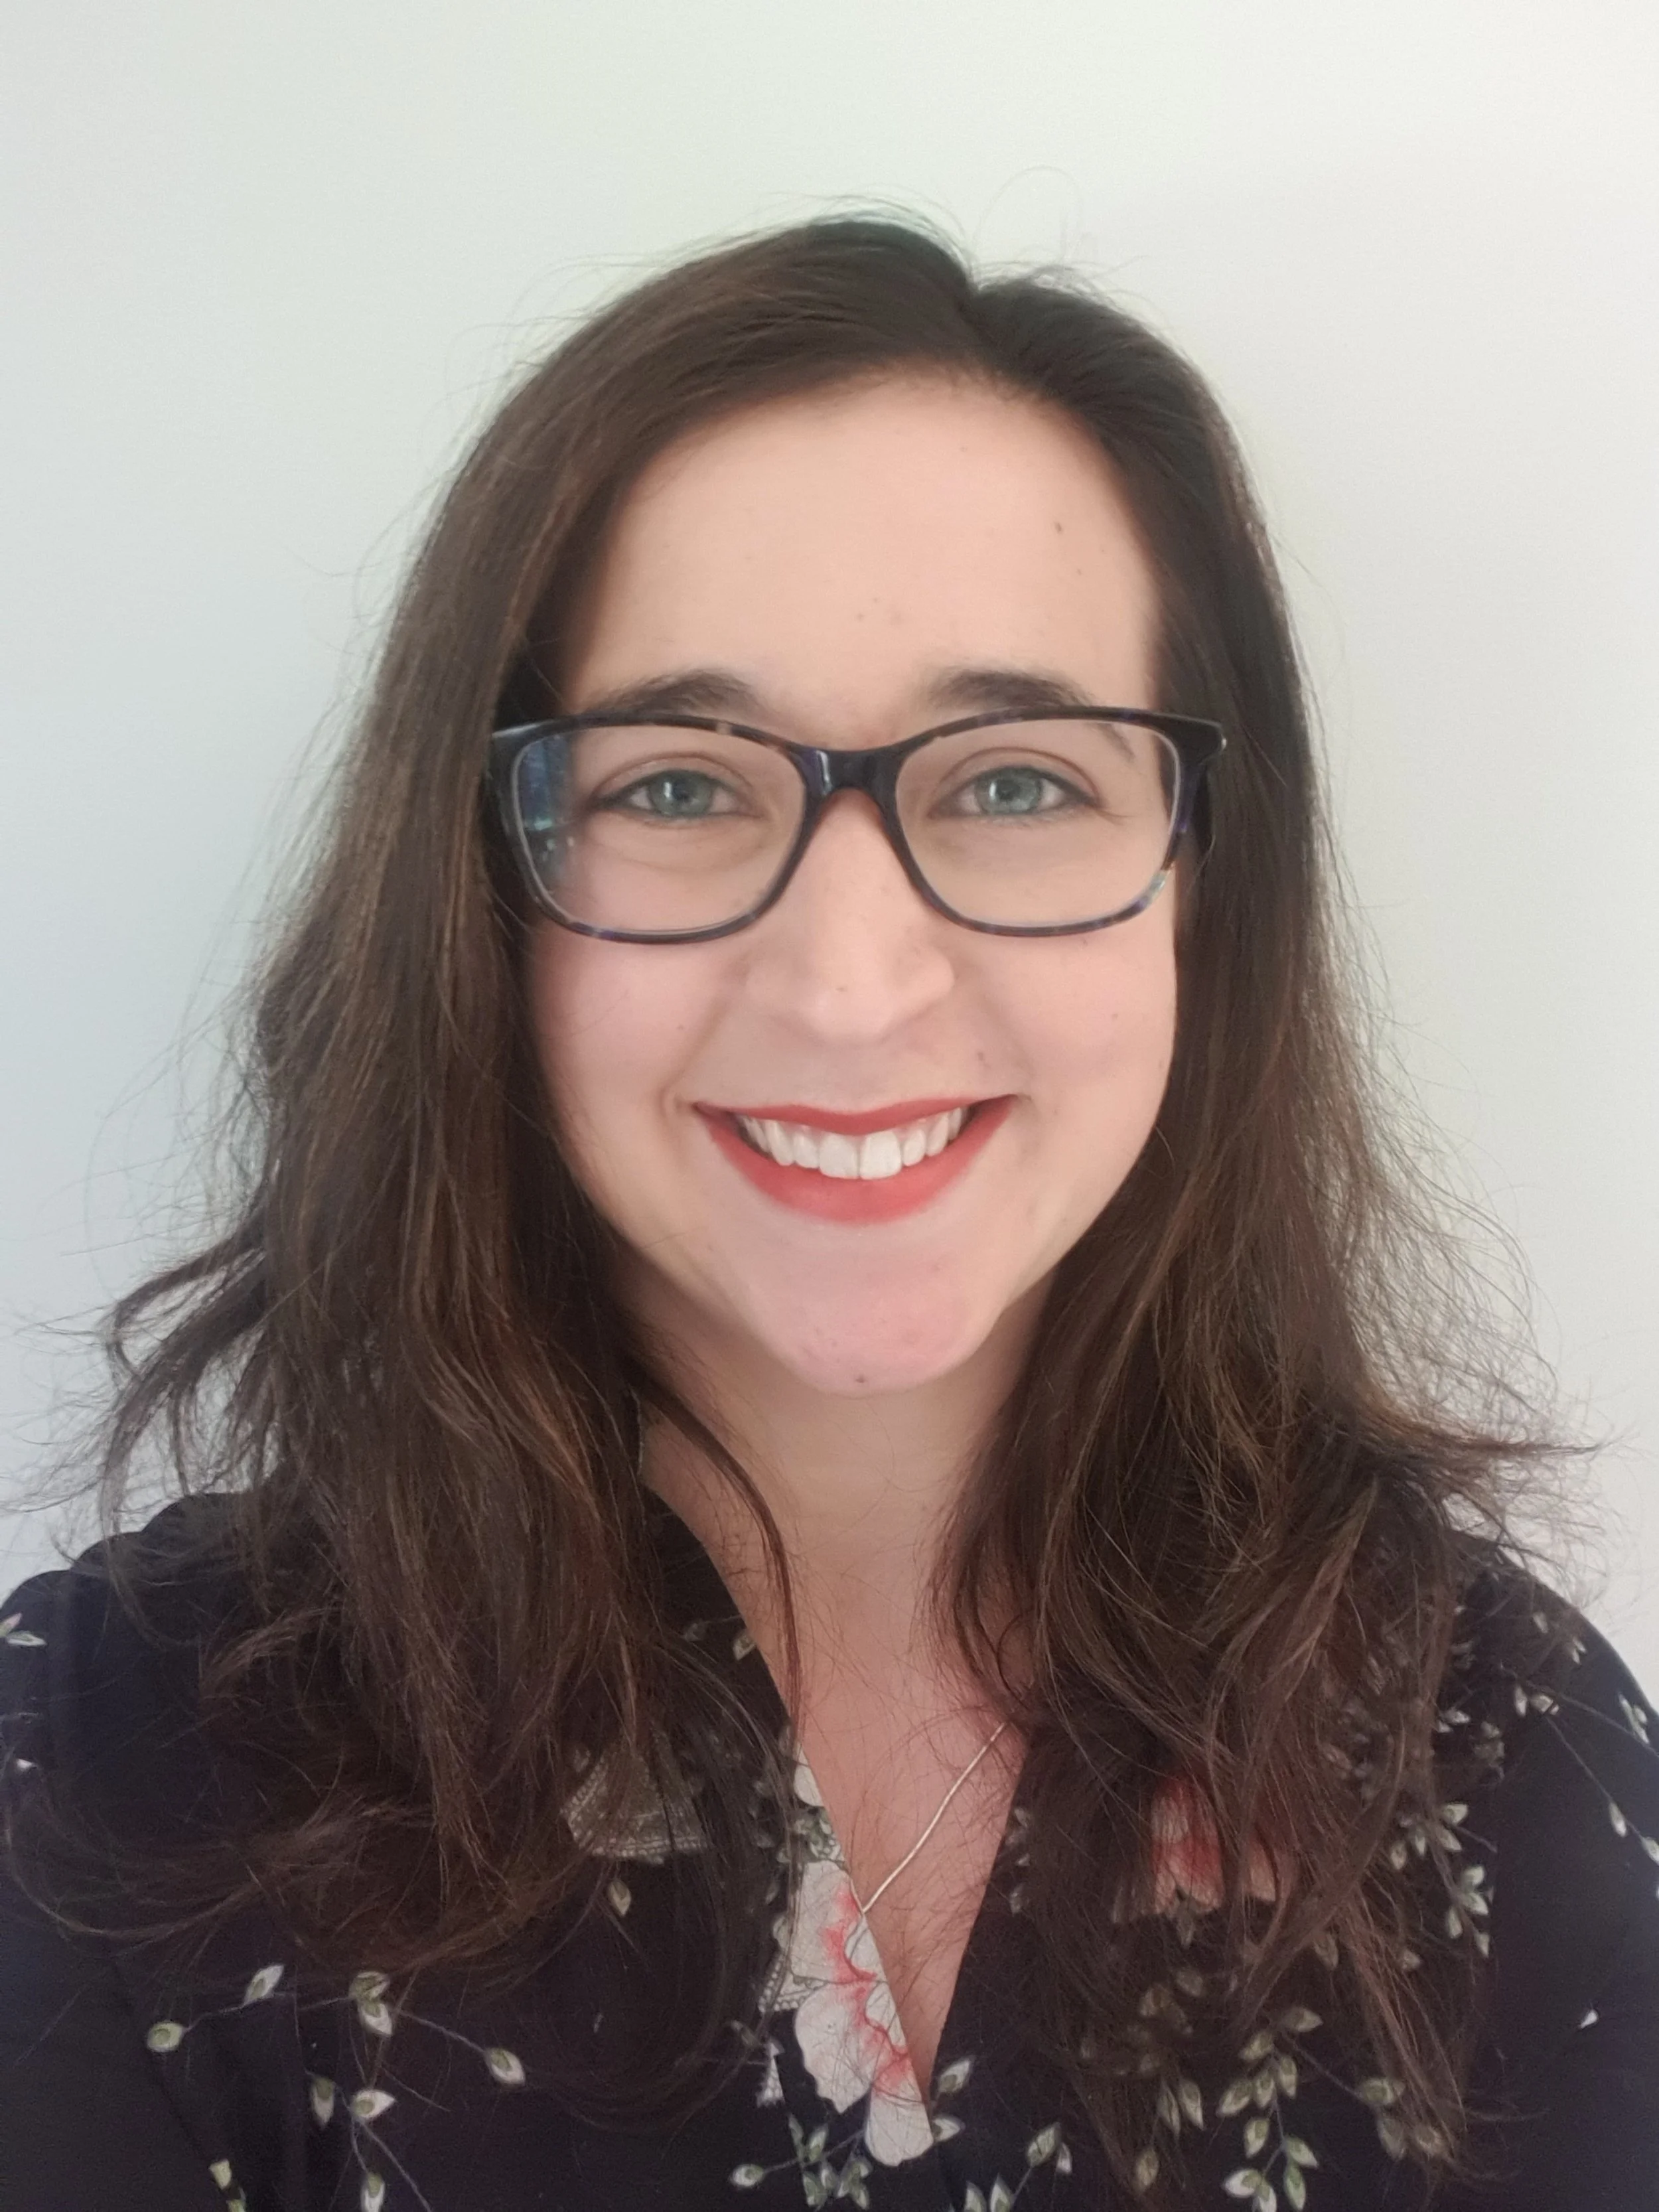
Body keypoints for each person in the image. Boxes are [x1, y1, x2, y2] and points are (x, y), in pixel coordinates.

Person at [1, 216, 1654, 2212]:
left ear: (1206, 900)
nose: (853, 987)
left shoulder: (1500, 1750)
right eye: (681, 786)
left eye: (1019, 783)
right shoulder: (105, 1782)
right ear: (483, 896)